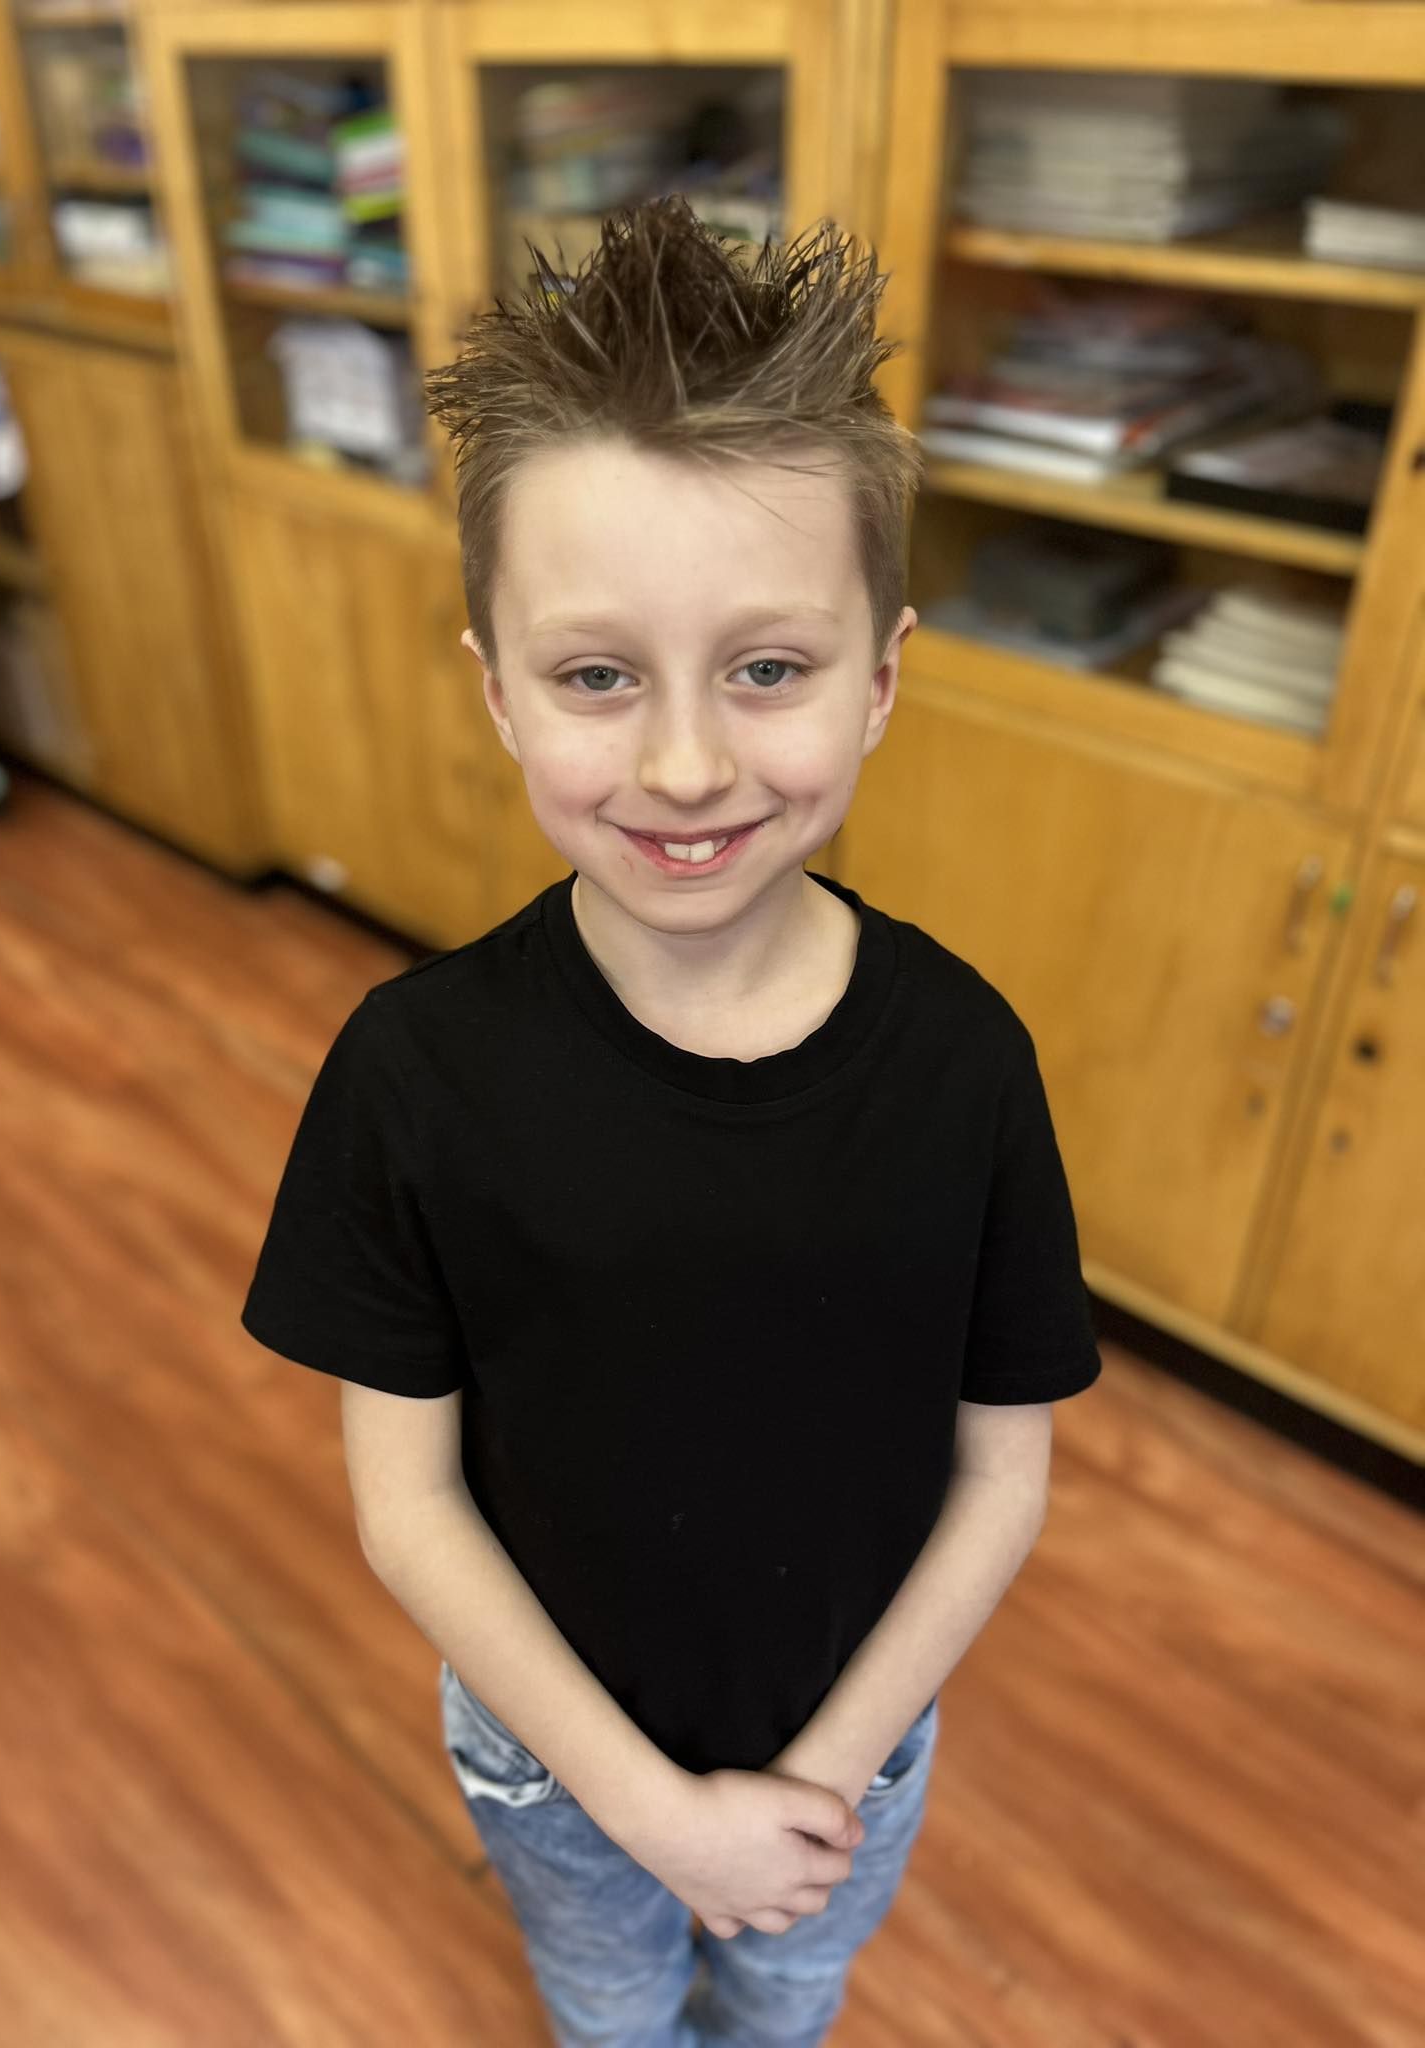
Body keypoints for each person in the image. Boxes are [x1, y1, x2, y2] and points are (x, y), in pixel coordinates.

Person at [240, 194, 1102, 2048]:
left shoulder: (967, 1062)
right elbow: (405, 1501)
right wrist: (651, 1813)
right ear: (498, 691)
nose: (689, 765)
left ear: (883, 678)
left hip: (850, 1756)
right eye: (597, 675)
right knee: (609, 2008)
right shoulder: (413, 1071)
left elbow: (1003, 1475)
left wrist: (812, 1785)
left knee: (787, 1999)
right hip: (557, 1768)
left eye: (768, 668)